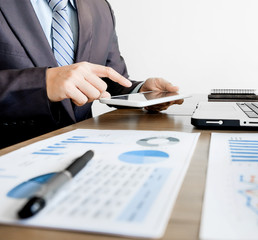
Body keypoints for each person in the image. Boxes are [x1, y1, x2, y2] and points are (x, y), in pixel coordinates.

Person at [0, 0, 182, 149]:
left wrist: (140, 91)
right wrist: (43, 82)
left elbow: (110, 78)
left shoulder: (100, 7)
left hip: (85, 153)